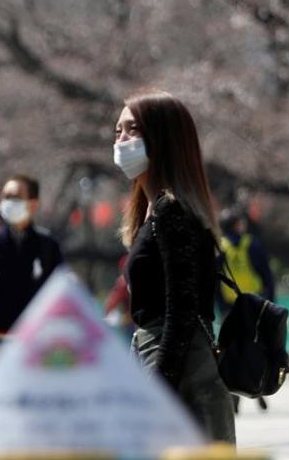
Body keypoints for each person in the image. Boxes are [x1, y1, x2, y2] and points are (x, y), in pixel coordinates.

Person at [115, 90, 235, 443]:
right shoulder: (151, 210)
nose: (121, 141)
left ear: (162, 138)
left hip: (180, 366)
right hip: (163, 356)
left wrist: (159, 389)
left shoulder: (172, 211)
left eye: (132, 130)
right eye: (117, 131)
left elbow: (181, 310)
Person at [0, 174, 63, 341]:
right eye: (6, 197)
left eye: (16, 197)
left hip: (35, 342)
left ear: (33, 204)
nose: (10, 202)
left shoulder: (48, 246)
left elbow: (58, 294)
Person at [218, 208, 275, 413]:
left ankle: (234, 397)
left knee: (232, 353)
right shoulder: (252, 244)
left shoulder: (219, 247)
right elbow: (267, 274)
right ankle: (258, 390)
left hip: (229, 308)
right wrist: (271, 300)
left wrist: (219, 306)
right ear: (237, 225)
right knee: (255, 350)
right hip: (253, 304)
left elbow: (214, 280)